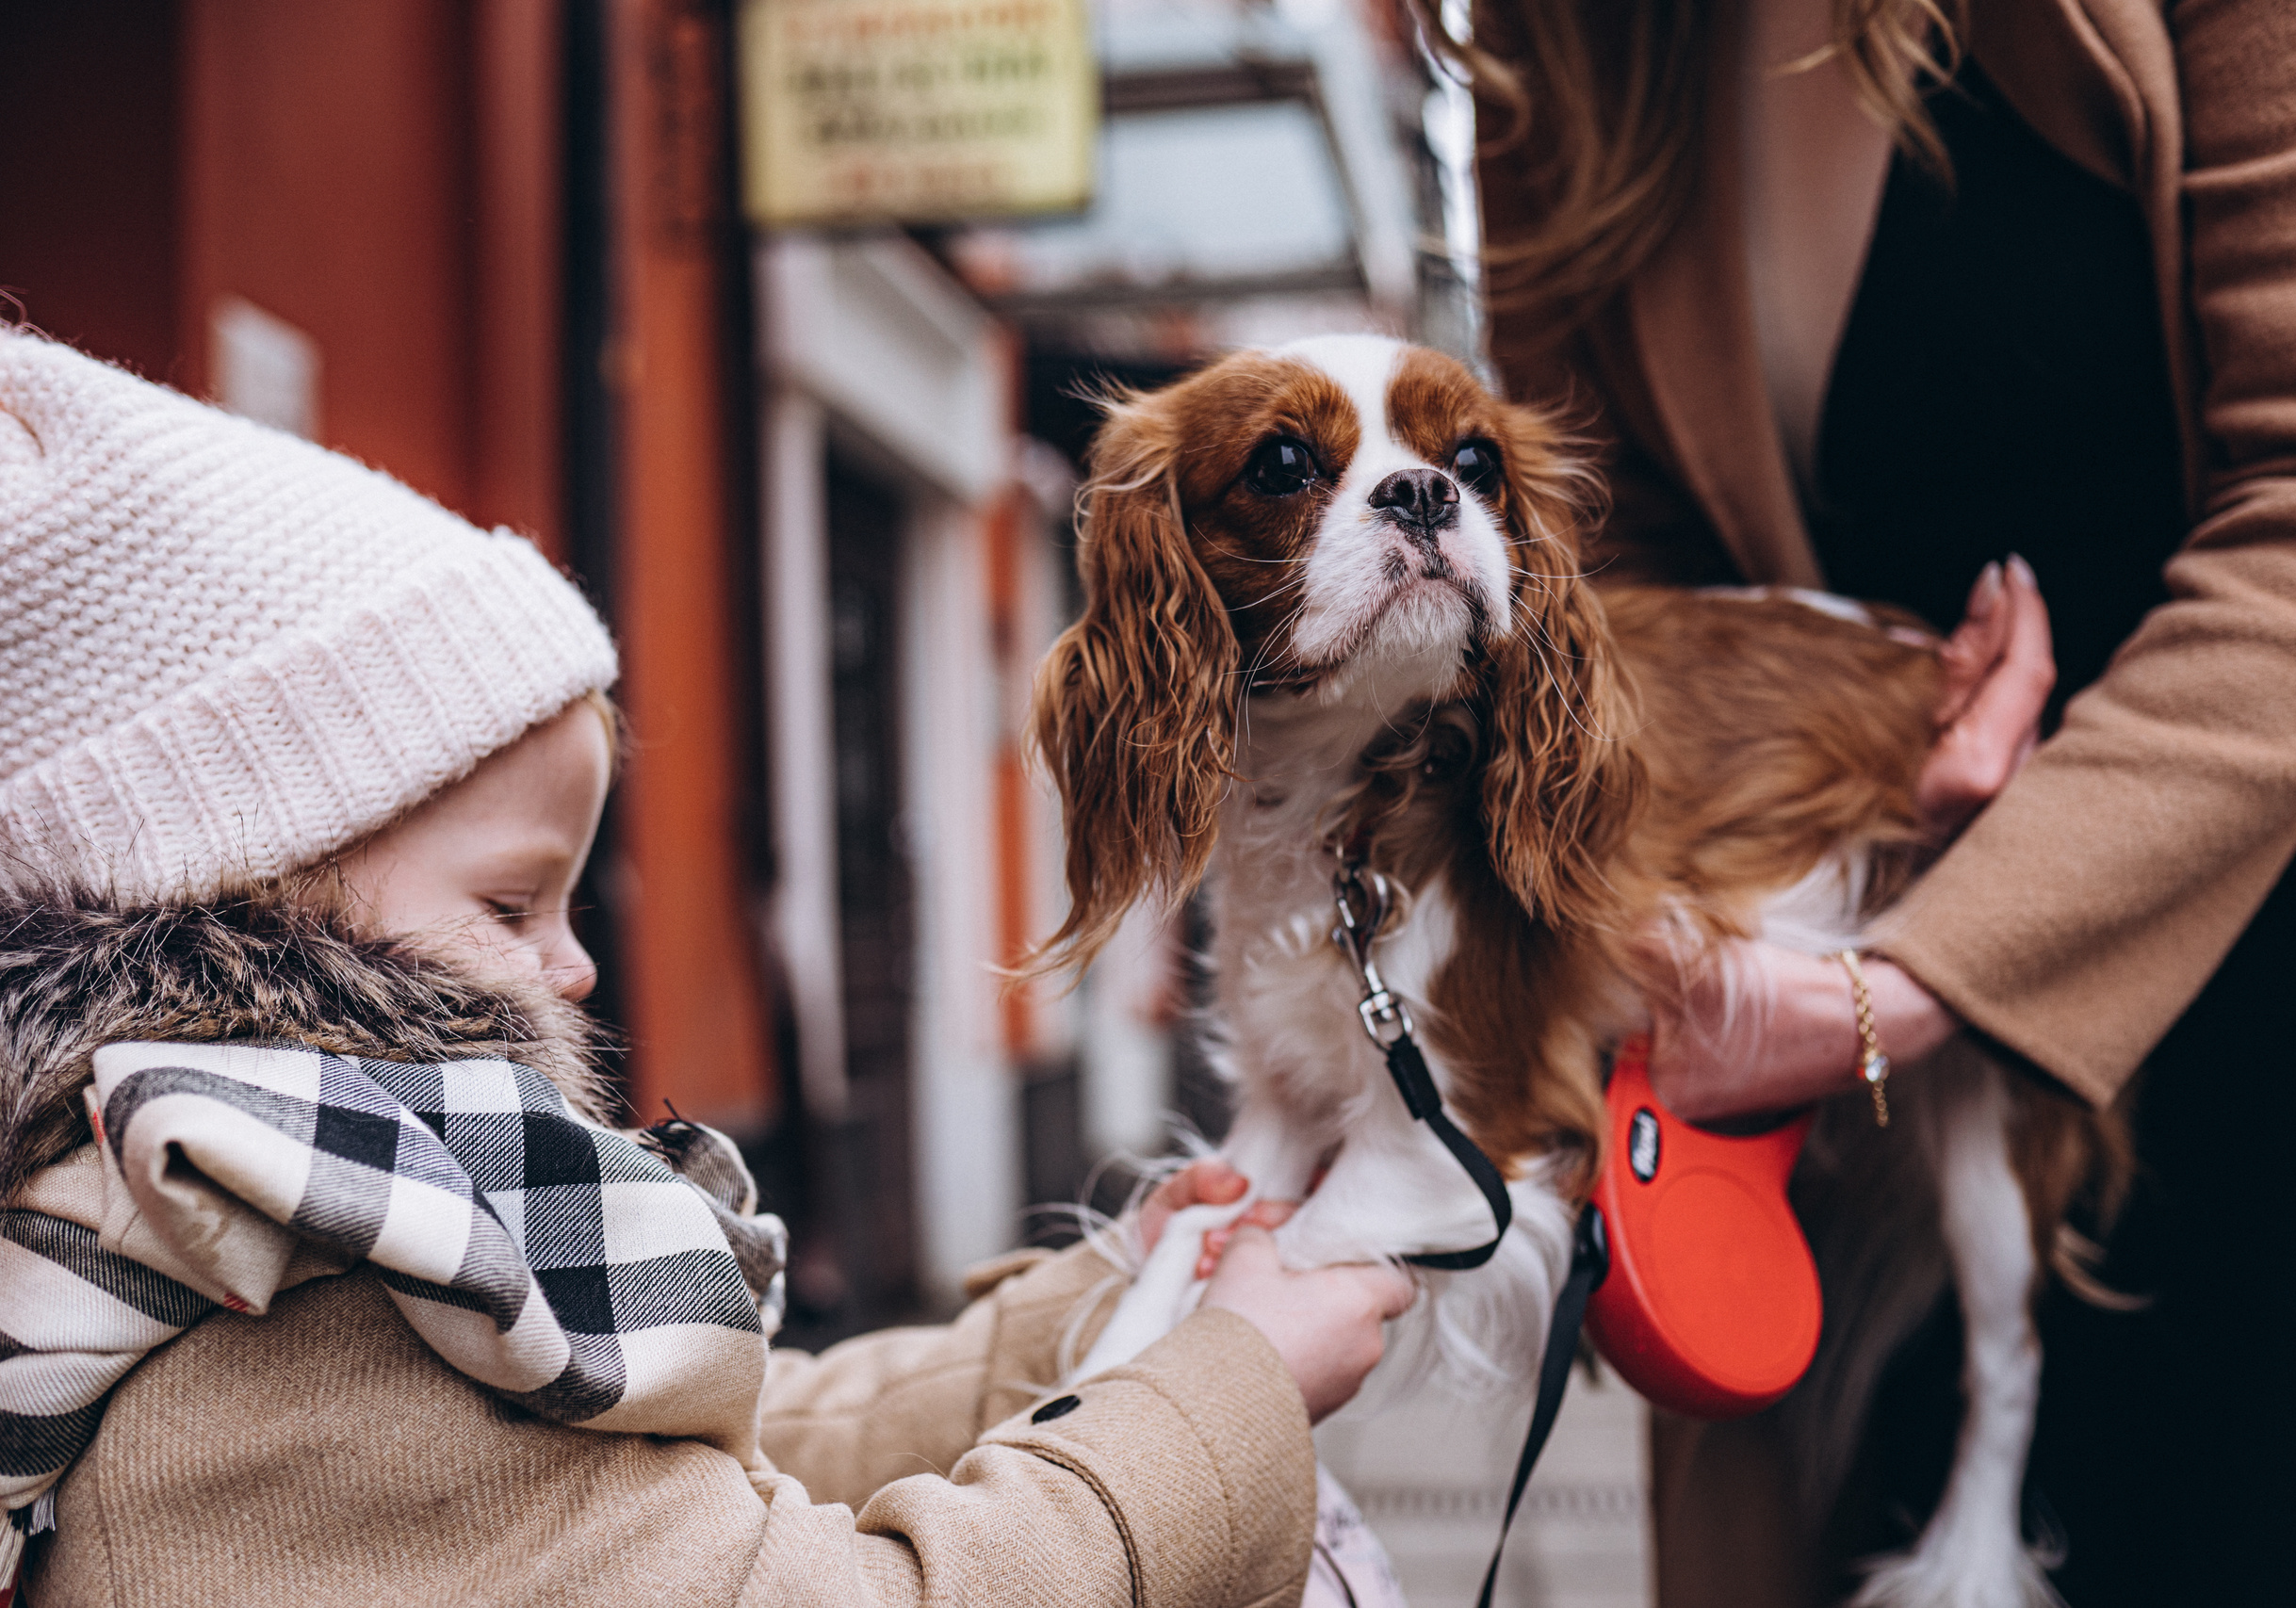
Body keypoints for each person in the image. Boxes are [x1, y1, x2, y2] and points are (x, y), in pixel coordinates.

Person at [0, 329, 1414, 1608]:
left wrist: (1093, 1307)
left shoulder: (307, 1212)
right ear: (242, 901)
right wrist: (1232, 1392)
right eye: (510, 900)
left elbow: (713, 1462)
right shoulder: (285, 1319)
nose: (573, 965)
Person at [1449, 0, 2296, 1603]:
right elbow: (1603, 572)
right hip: (1847, 1123)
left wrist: (1891, 988)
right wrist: (1844, 795)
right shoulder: (1564, 47)